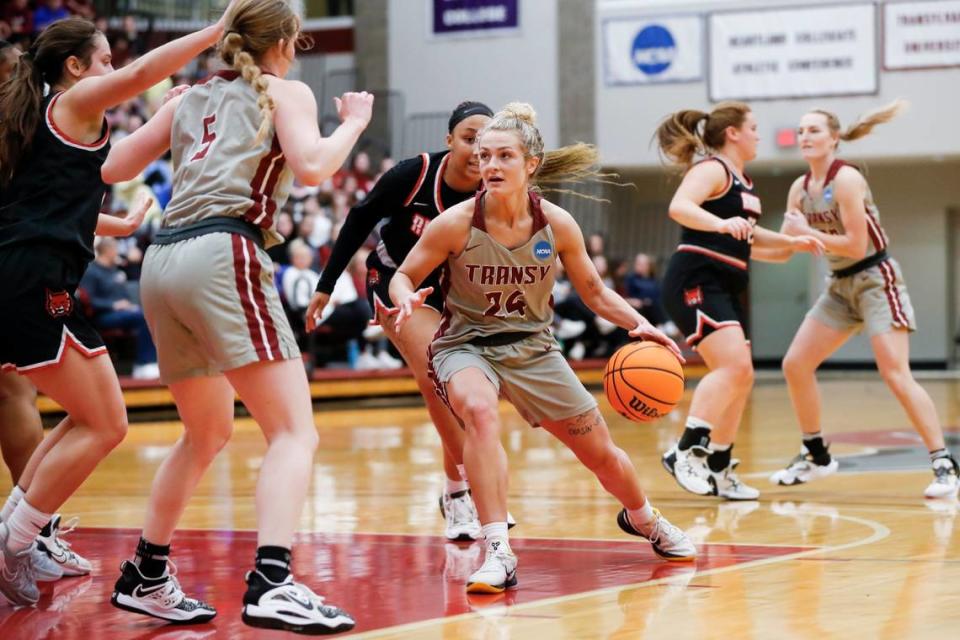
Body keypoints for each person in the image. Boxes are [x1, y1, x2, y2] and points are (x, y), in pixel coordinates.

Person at [100, 0, 369, 632]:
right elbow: (311, 168)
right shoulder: (285, 91)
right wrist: (354, 124)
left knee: (205, 433)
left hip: (160, 262)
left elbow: (111, 167)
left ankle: (145, 571)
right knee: (294, 432)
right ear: (289, 41)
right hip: (223, 250)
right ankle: (273, 580)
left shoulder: (187, 98)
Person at [390, 102, 697, 594]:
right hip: (466, 344)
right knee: (479, 411)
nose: (489, 166)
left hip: (533, 347)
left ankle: (644, 519)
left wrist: (643, 325)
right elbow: (403, 275)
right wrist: (405, 299)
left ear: (530, 164)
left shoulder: (556, 224)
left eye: (503, 156)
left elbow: (595, 293)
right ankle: (497, 550)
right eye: (484, 156)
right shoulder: (453, 222)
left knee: (600, 454)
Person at [0, 10, 240, 607]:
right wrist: (217, 28)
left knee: (87, 417)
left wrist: (115, 221)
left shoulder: (43, 119)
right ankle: (13, 544)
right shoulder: (76, 100)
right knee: (107, 423)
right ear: (76, 67)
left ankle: (16, 531)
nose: (111, 71)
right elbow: (146, 69)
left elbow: (71, 191)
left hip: (23, 276)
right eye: (103, 61)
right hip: (31, 281)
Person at [305, 101, 506, 542]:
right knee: (437, 369)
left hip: (454, 294)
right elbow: (360, 218)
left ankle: (455, 489)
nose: (478, 150)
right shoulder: (413, 174)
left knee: (448, 388)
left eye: (487, 142)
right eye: (469, 139)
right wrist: (327, 282)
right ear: (449, 140)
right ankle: (473, 488)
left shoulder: (497, 190)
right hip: (395, 280)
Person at [770, 101, 959, 498]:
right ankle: (816, 454)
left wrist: (808, 233)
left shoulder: (847, 180)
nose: (804, 136)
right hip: (838, 286)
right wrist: (744, 242)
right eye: (802, 131)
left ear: (834, 139)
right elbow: (792, 246)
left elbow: (857, 245)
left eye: (814, 130)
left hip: (875, 278)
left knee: (895, 373)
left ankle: (944, 463)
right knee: (795, 365)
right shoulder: (798, 189)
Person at [655, 102, 824, 501]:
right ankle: (684, 452)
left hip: (725, 284)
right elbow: (680, 207)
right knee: (733, 367)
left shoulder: (744, 184)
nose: (758, 135)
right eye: (753, 127)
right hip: (695, 278)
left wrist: (790, 244)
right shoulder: (712, 169)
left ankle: (718, 466)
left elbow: (754, 242)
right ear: (733, 133)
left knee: (741, 374)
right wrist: (719, 223)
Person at [80, 236, 159, 379]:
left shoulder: (114, 270)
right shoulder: (92, 271)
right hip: (101, 316)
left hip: (121, 314)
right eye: (115, 248)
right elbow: (88, 300)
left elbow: (123, 296)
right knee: (141, 316)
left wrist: (127, 305)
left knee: (148, 313)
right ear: (108, 250)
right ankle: (145, 363)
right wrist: (114, 305)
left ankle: (148, 363)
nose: (118, 252)